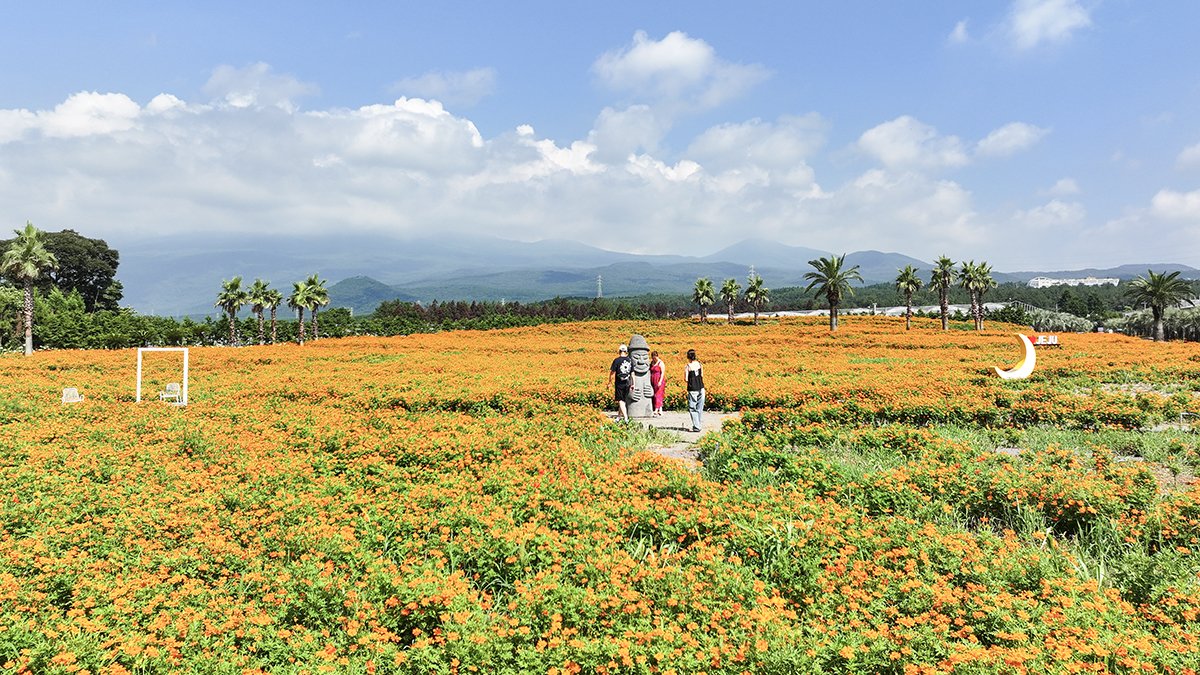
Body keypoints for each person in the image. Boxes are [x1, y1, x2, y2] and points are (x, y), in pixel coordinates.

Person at [607, 344, 632, 421]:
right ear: (626, 352)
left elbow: (612, 372)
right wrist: (633, 384)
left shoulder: (617, 360)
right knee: (623, 400)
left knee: (620, 400)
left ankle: (626, 418)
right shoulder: (629, 360)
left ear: (619, 351)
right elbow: (632, 373)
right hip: (628, 382)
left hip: (619, 383)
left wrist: (609, 382)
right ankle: (618, 417)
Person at [684, 348, 704, 432]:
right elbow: (702, 375)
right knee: (700, 407)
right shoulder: (700, 364)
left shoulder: (688, 366)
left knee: (693, 408)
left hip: (692, 389)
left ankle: (697, 426)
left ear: (688, 357)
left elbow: (686, 379)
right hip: (701, 387)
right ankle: (698, 424)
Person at [649, 350, 666, 417]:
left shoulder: (661, 363)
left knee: (658, 394)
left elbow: (662, 373)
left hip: (658, 379)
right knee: (655, 394)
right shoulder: (652, 363)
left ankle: (656, 409)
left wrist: (660, 381)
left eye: (655, 358)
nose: (654, 359)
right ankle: (660, 409)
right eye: (653, 358)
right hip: (653, 379)